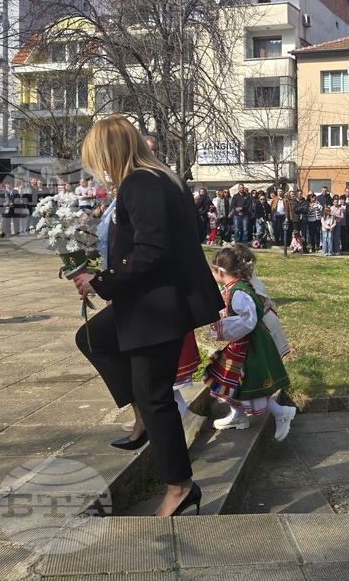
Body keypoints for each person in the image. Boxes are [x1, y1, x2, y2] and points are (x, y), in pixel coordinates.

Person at [70, 116, 224, 517]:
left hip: (159, 306)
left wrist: (101, 281)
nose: (99, 169)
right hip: (154, 301)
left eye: (98, 159)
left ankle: (180, 487)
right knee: (94, 338)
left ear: (110, 151)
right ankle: (139, 415)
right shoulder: (159, 179)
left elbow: (153, 250)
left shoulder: (141, 182)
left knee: (156, 397)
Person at [202, 245, 295, 439]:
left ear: (220, 271)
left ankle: (281, 413)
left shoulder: (238, 292)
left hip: (251, 346)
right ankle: (238, 416)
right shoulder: (235, 287)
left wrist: (221, 328)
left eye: (212, 270)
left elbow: (248, 320)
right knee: (229, 378)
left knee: (254, 386)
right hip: (245, 344)